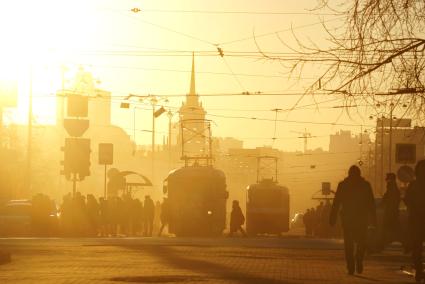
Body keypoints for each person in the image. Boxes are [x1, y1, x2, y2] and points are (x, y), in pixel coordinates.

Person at [329, 165, 376, 275]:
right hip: (361, 219)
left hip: (348, 220)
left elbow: (336, 203)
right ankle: (359, 259)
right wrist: (373, 220)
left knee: (348, 244)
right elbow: (371, 204)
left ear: (349, 174)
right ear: (359, 174)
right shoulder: (365, 185)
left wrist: (333, 218)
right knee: (361, 242)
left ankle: (350, 266)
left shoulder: (343, 185)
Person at [404, 160, 425, 282]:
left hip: (416, 220)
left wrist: (414, 208)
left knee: (416, 246)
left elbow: (407, 200)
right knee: (416, 246)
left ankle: (418, 269)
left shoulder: (413, 185)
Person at [381, 173, 400, 248]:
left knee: (387, 228)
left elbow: (388, 198)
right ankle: (382, 244)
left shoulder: (391, 186)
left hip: (390, 211)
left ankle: (381, 244)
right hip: (393, 211)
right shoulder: (394, 187)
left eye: (387, 179)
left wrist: (383, 202)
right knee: (394, 229)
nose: (386, 181)